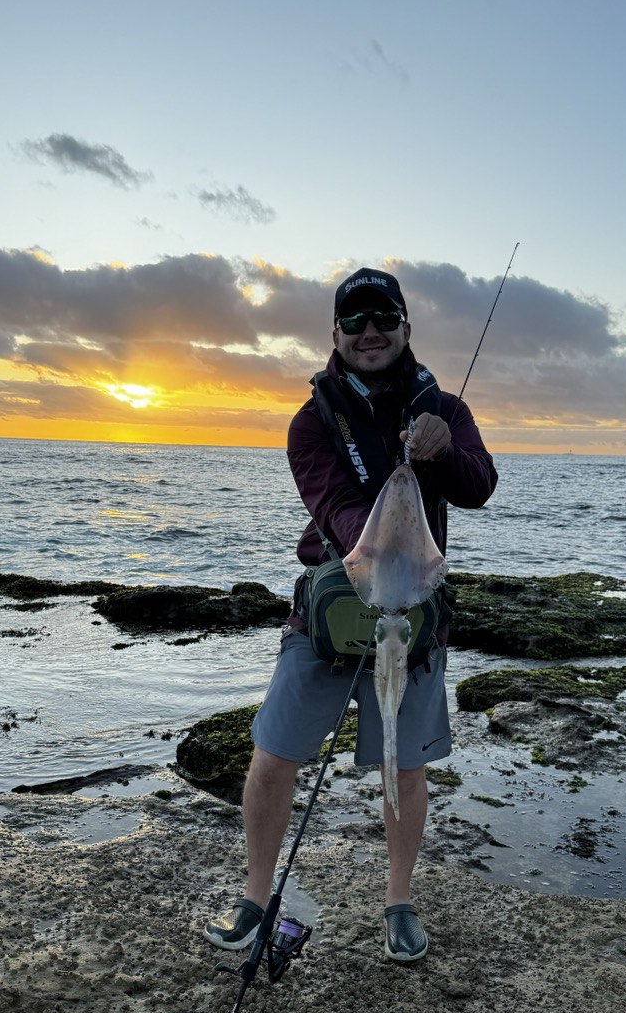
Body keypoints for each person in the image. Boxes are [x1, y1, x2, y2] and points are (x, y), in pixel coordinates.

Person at [205, 267, 498, 962]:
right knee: (275, 752)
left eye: (384, 318)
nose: (370, 332)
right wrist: (369, 545)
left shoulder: (445, 408)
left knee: (404, 766)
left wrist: (443, 450)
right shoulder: (312, 420)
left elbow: (479, 486)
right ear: (334, 333)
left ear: (404, 327)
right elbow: (329, 503)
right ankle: (254, 895)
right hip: (333, 602)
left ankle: (398, 901)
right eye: (355, 321)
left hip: (415, 609)